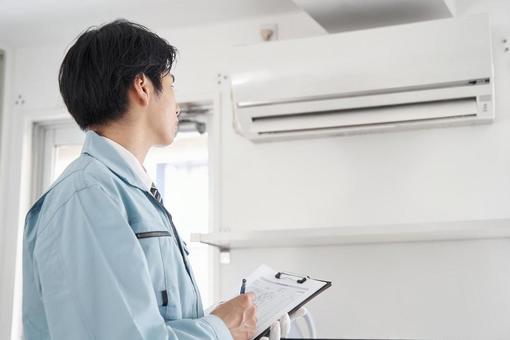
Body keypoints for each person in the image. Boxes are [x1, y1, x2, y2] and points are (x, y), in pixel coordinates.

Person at [22, 19, 263, 340]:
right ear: (143, 86)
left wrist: (224, 322)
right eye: (172, 82)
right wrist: (219, 328)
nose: (177, 105)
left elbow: (147, 322)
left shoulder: (127, 192)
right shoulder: (87, 196)